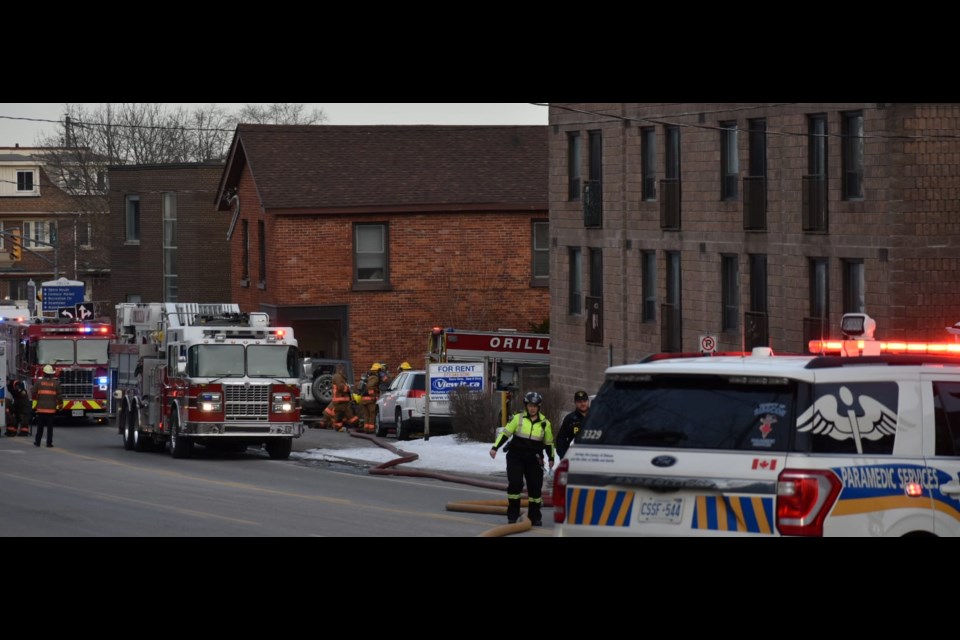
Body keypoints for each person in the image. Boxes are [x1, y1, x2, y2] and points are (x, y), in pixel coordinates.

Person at [489, 391, 555, 526]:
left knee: (535, 488)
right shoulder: (517, 418)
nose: (532, 408)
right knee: (515, 484)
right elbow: (505, 434)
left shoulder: (545, 423)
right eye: (530, 405)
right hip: (516, 457)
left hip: (534, 459)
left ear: (539, 407)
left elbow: (549, 443)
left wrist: (551, 458)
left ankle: (534, 516)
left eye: (535, 406)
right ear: (526, 405)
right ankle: (512, 514)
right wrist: (495, 448)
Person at [323, 364, 358, 432]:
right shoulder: (338, 377)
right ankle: (338, 427)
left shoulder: (339, 376)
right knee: (339, 415)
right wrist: (348, 388)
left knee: (348, 414)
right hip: (340, 400)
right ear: (340, 369)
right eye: (343, 369)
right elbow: (341, 387)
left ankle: (355, 424)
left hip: (343, 400)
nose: (344, 371)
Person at [33, 364, 61, 448]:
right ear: (51, 374)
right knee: (50, 428)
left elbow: (33, 391)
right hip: (51, 409)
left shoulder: (38, 382)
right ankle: (49, 443)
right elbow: (59, 396)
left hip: (41, 409)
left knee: (40, 427)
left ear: (44, 373)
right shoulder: (56, 383)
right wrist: (60, 406)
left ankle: (37, 442)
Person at [556, 390, 590, 459]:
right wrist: (563, 457)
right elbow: (561, 440)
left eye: (584, 401)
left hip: (594, 456)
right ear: (575, 403)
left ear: (588, 401)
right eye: (579, 402)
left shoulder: (596, 416)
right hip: (576, 457)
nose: (582, 404)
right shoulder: (570, 419)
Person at [359, 363, 383, 433]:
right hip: (370, 400)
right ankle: (371, 429)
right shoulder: (375, 378)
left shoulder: (368, 377)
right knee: (372, 415)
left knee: (366, 415)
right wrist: (373, 396)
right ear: (377, 370)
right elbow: (370, 386)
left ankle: (366, 429)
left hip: (364, 399)